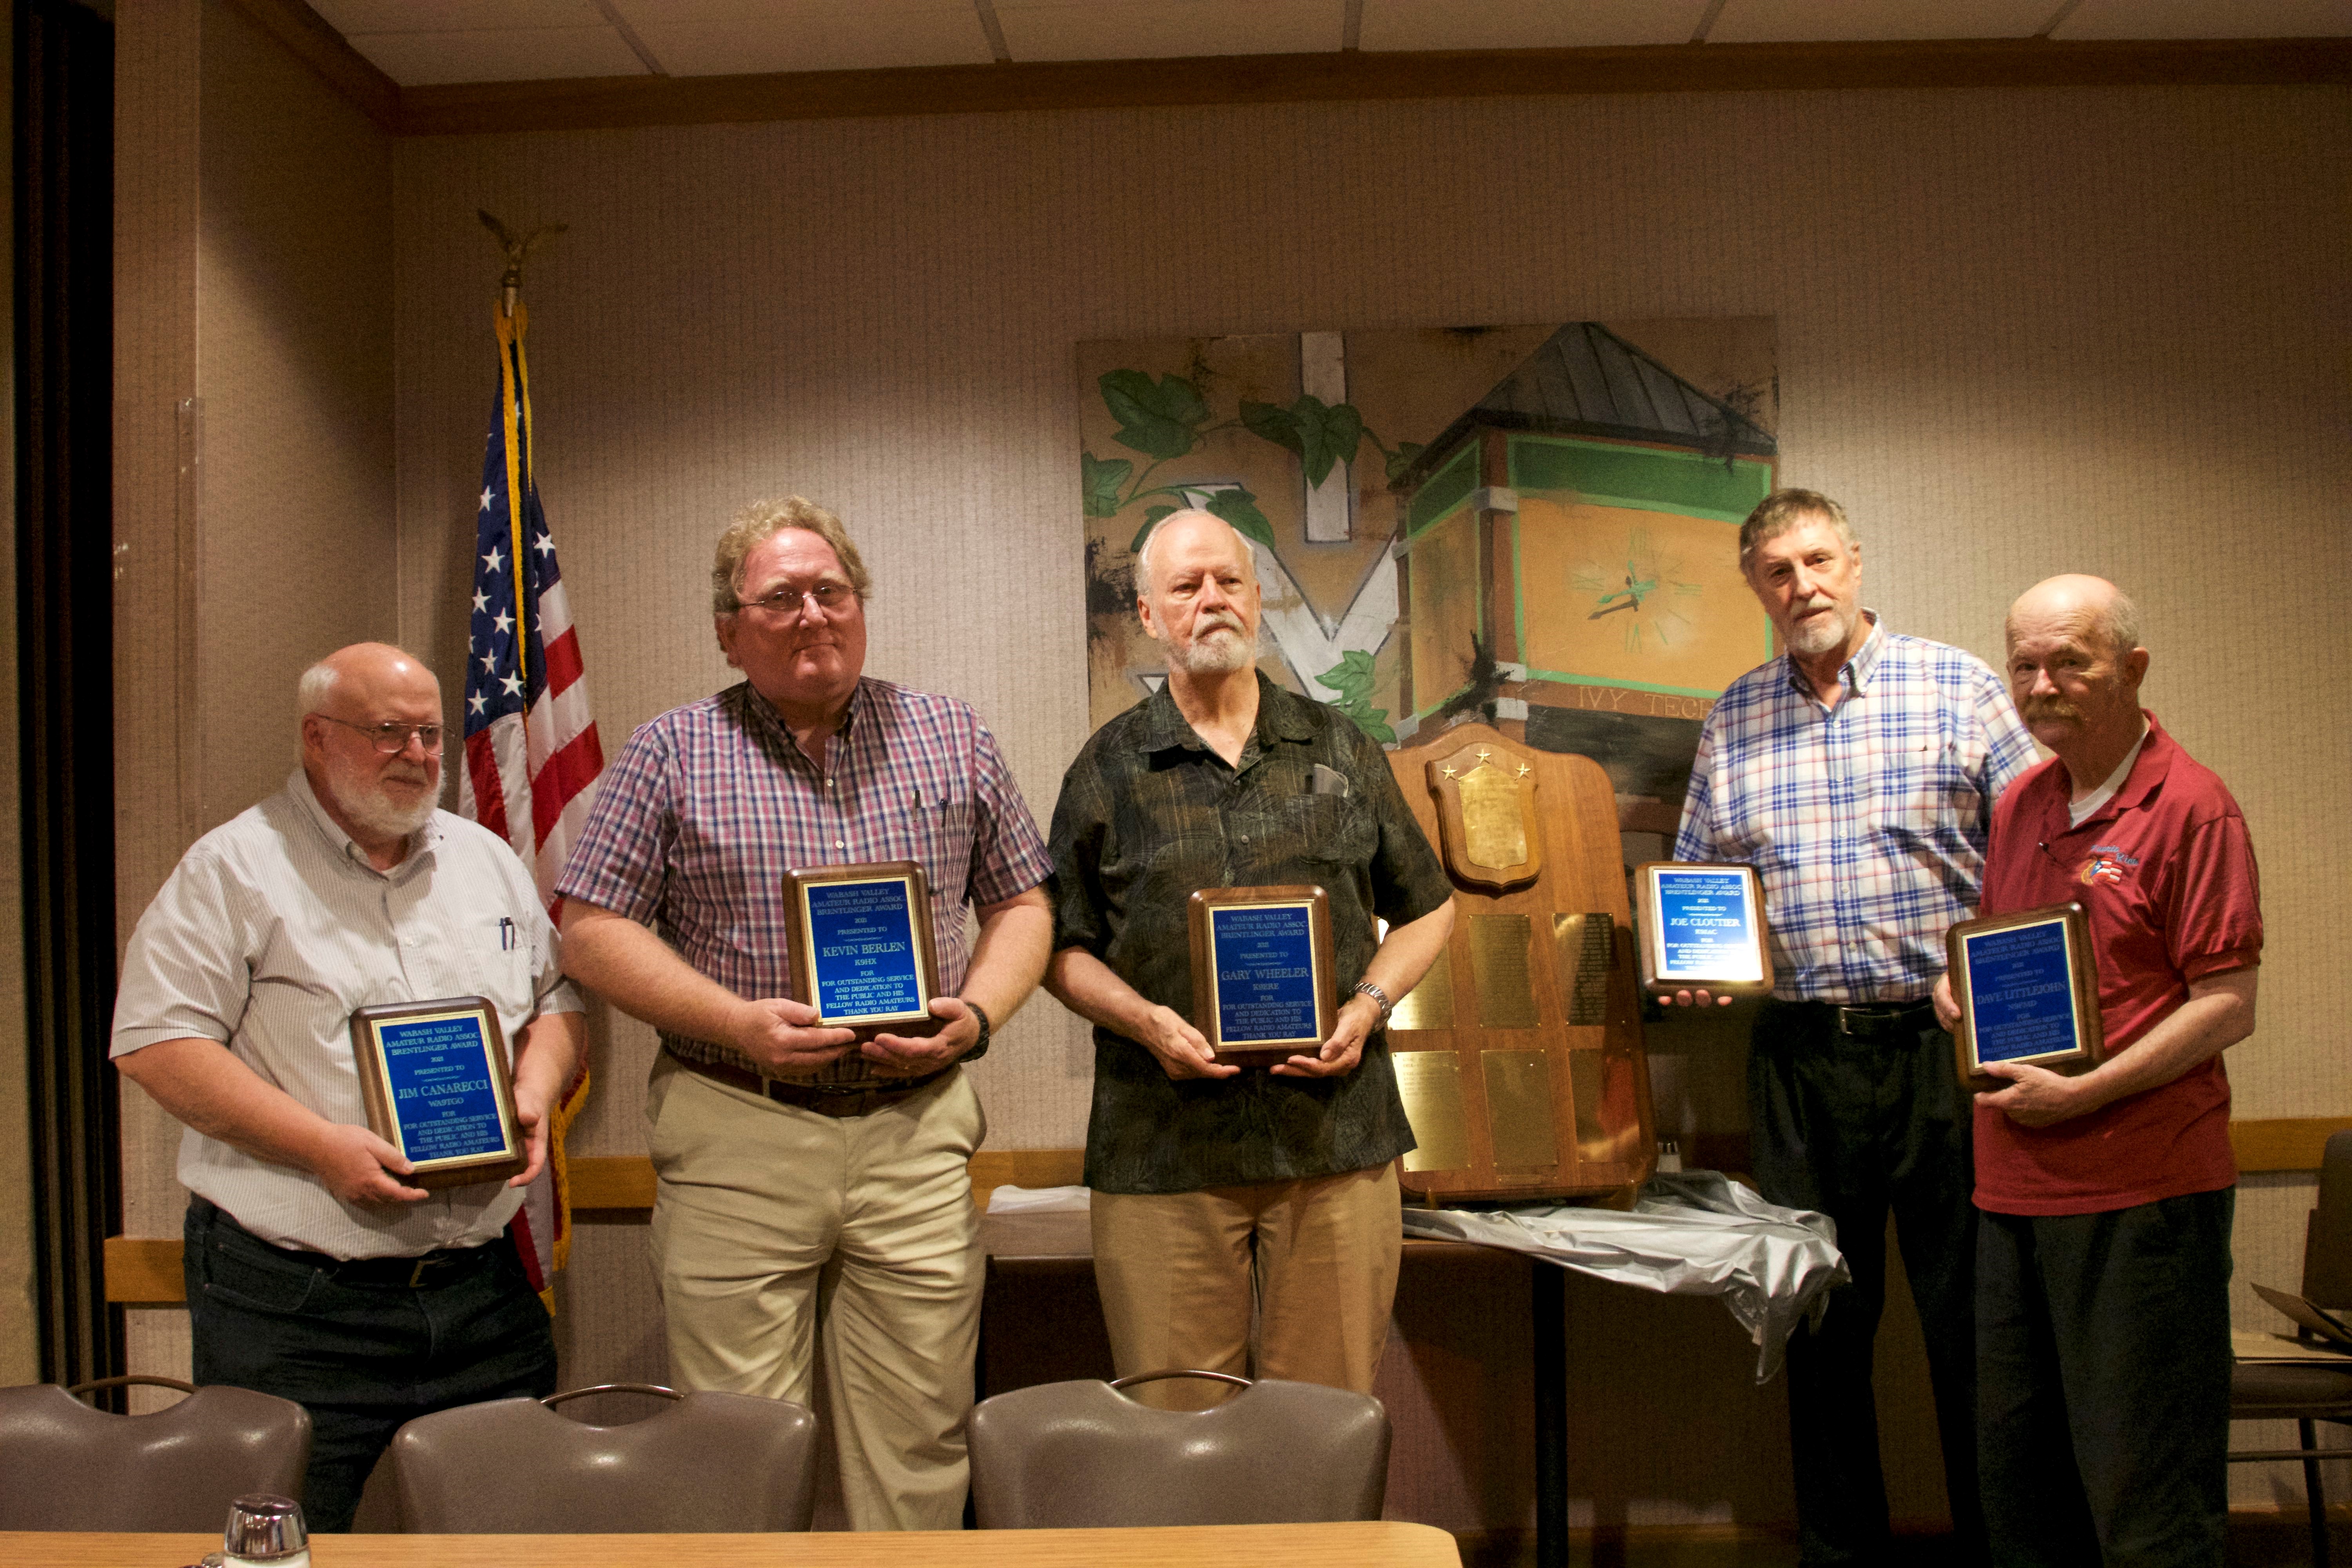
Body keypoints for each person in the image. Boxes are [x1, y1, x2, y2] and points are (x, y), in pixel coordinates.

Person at [555, 495, 1051, 1530]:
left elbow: (1023, 903)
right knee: (737, 1449)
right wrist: (736, 1022)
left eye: (831, 591)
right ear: (728, 629)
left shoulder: (951, 735)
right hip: (739, 1124)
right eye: (779, 598)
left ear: (860, 605)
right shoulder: (671, 751)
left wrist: (978, 1014)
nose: (812, 614)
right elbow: (592, 930)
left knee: (922, 1443)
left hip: (916, 1136)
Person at [110, 643, 585, 1533]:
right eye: (387, 732)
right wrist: (322, 1148)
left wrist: (536, 1084)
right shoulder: (233, 867)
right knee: (283, 1541)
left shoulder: (486, 861)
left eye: (430, 733)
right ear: (316, 737)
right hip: (296, 1303)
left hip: (479, 1292)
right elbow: (157, 1043)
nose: (417, 753)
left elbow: (556, 1001)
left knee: (512, 1536)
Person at [1671, 489, 2036, 1564]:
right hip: (1800, 1057)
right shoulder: (1735, 717)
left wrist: (1996, 973)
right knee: (1821, 1327)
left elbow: (2041, 850)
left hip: (1946, 1054)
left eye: (1818, 561)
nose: (1803, 586)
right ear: (1757, 588)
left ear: (1856, 561)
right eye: (1778, 572)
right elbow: (1697, 881)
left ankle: (2002, 1552)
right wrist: (1693, 965)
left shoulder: (1958, 687)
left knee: (1975, 1327)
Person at [1042, 509, 1455, 1411]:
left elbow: (1429, 908)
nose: (1212, 600)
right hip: (1163, 1152)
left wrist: (1369, 1005)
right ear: (1149, 614)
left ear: (1258, 597)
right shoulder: (1107, 768)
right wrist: (1146, 1021)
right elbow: (1060, 947)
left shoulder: (1341, 745)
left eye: (1229, 580)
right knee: (1176, 1435)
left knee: (1323, 1429)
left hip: (1336, 1145)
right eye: (1186, 586)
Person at [1933, 575, 2258, 1566]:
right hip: (2012, 1191)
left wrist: (2087, 1089)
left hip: (2140, 1194)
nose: (2042, 685)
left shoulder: (2192, 806)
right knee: (2024, 1496)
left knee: (2147, 1502)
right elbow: (2011, 952)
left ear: (2131, 668)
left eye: (2069, 661)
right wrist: (1961, 994)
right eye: (2024, 664)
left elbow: (2228, 1004)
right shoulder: (2023, 800)